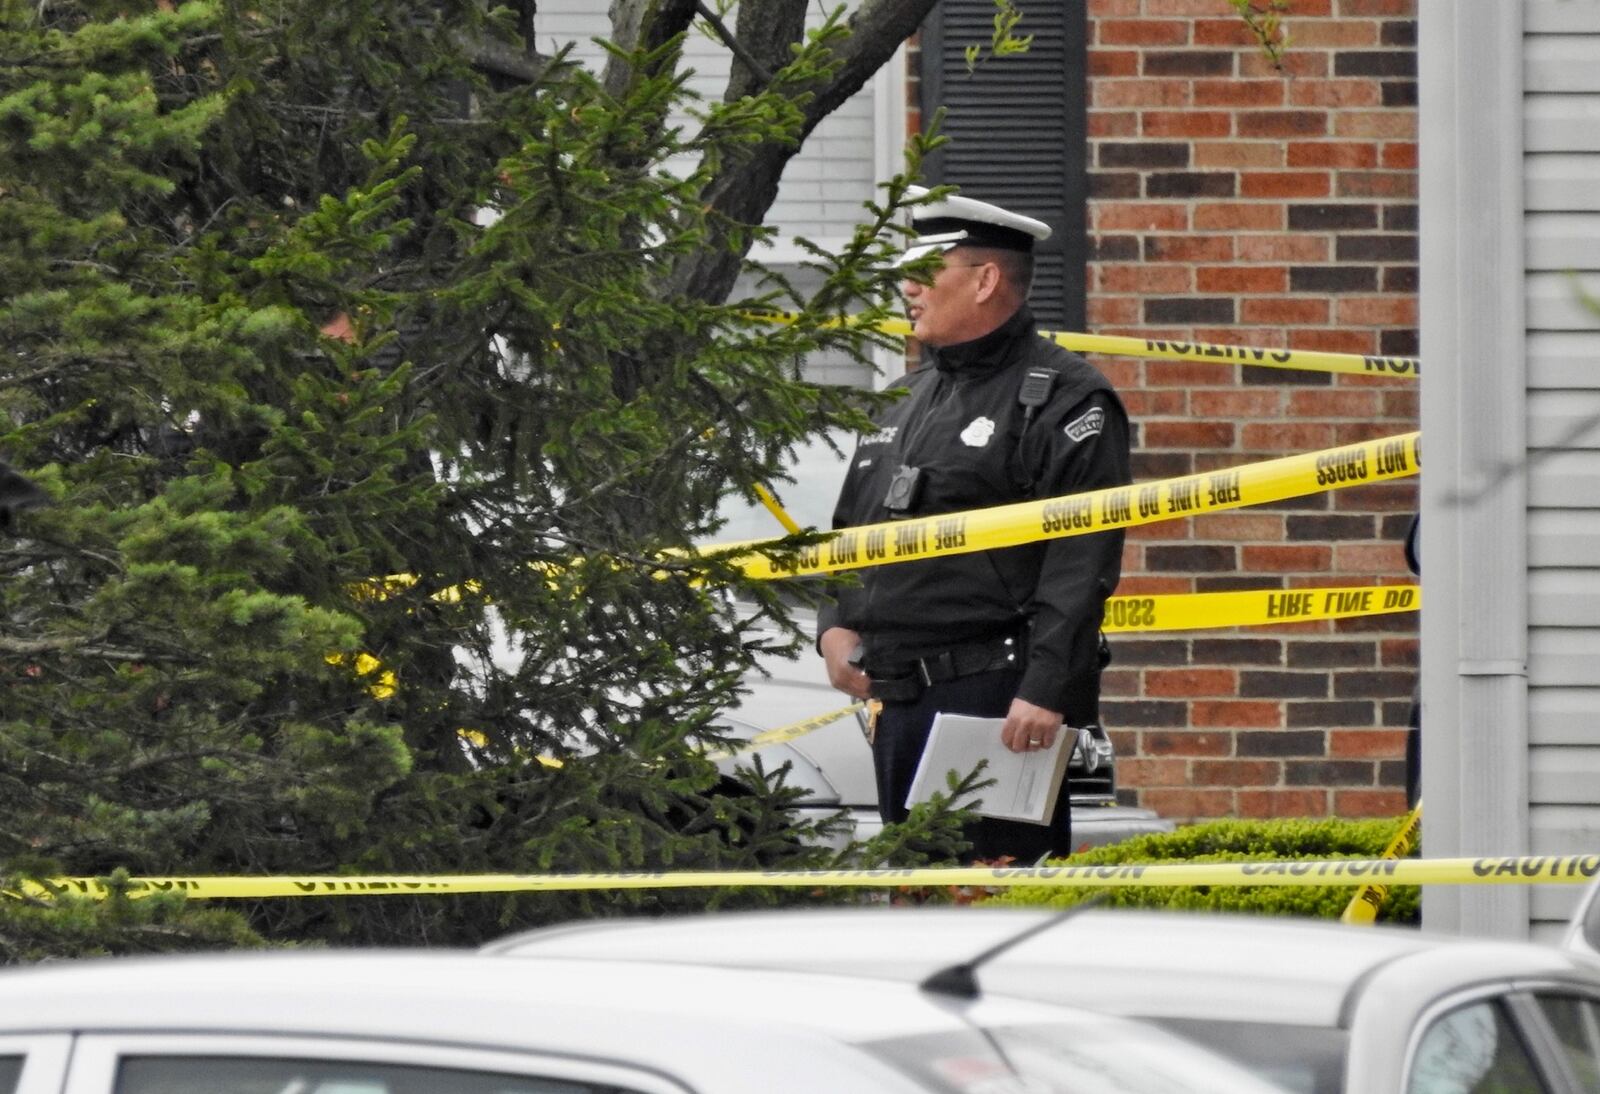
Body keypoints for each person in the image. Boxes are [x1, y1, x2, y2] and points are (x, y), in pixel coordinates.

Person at [816, 188, 1130, 862]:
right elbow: (850, 531)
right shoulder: (906, 399)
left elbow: (1081, 559)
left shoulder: (1065, 397)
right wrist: (834, 625)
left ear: (986, 279)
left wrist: (1046, 691)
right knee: (922, 904)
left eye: (927, 269)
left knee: (992, 903)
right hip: (898, 701)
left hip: (998, 704)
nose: (907, 288)